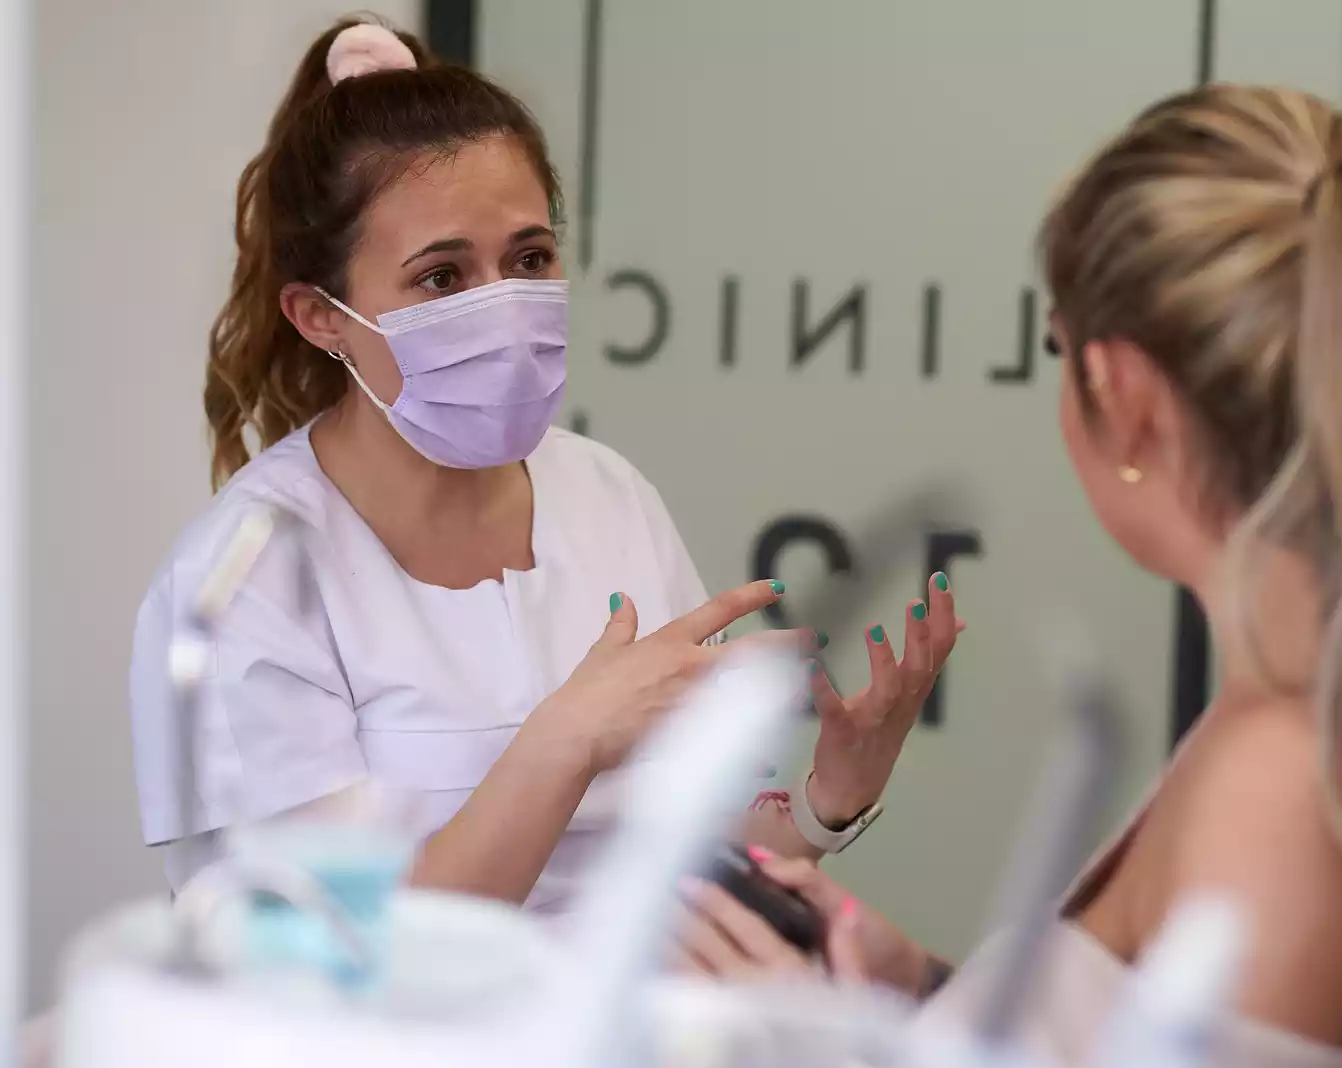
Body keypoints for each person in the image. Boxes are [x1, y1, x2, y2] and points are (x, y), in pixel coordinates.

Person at [673, 85, 1342, 1068]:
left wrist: (811, 1048)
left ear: (1128, 401)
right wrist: (918, 996)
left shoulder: (1278, 792)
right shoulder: (1288, 719)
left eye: (1058, 347)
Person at [127, 17, 960, 912]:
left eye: (529, 258)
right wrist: (564, 742)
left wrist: (830, 798)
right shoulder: (250, 578)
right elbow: (317, 952)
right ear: (321, 316)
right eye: (442, 278)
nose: (506, 308)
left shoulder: (608, 496)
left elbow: (687, 866)